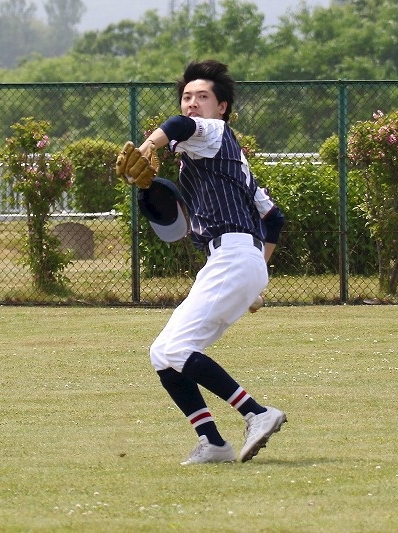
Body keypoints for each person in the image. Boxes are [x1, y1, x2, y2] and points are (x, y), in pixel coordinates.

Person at [137, 59, 287, 464]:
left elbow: (179, 126)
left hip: (233, 256)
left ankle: (257, 413)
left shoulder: (214, 131)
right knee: (162, 353)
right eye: (186, 96)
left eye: (202, 96)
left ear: (222, 107)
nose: (192, 103)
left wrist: (149, 145)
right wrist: (259, 279)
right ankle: (214, 443)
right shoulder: (229, 161)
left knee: (178, 348)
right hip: (235, 259)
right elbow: (274, 219)